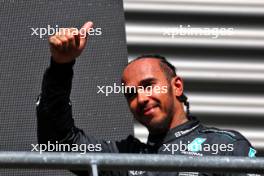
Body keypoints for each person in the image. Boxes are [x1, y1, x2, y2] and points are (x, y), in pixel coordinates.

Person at [36, 21, 257, 176]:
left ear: (177, 86)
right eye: (131, 94)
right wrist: (61, 67)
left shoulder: (223, 145)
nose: (141, 98)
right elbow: (59, 144)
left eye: (148, 85)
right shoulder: (125, 157)